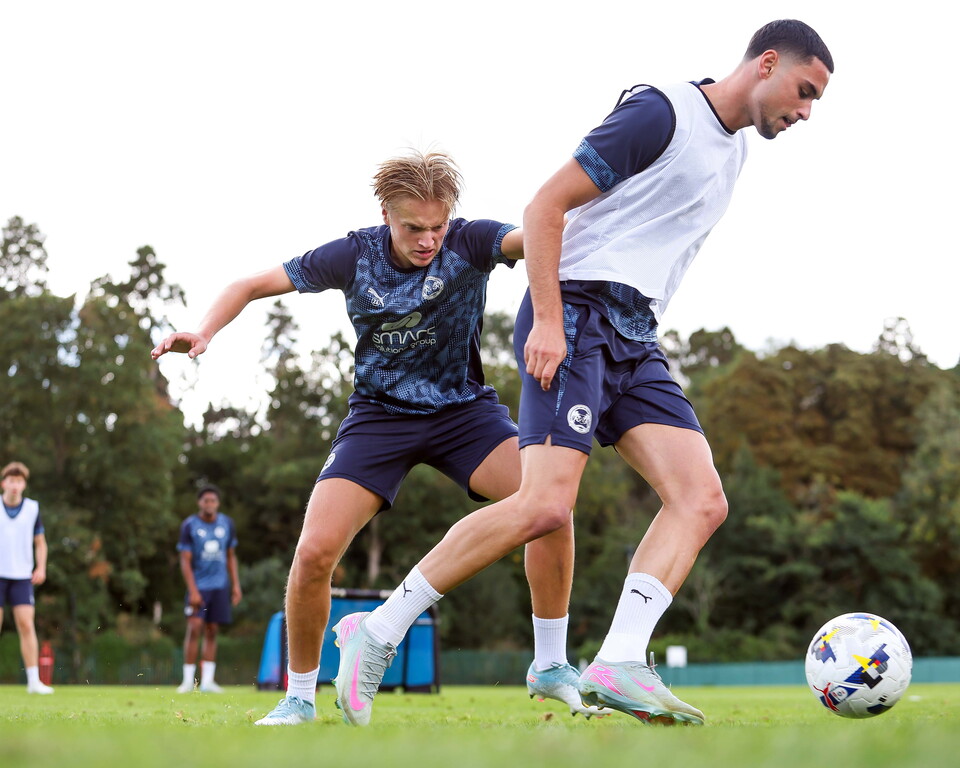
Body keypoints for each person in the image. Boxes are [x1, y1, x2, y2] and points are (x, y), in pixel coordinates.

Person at [332, 19, 834, 726]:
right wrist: (546, 317)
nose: (806, 111)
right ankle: (376, 629)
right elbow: (545, 206)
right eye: (804, 91)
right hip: (577, 314)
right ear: (768, 63)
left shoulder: (735, 154)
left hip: (635, 335)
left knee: (702, 498)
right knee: (544, 506)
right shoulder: (663, 110)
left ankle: (620, 659)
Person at [151, 150, 601, 725]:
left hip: (464, 413)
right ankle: (299, 698)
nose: (429, 240)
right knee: (314, 553)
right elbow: (252, 283)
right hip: (379, 418)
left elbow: (535, 237)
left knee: (550, 504)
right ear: (386, 213)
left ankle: (550, 661)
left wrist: (554, 303)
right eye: (414, 228)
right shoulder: (352, 255)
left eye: (438, 226)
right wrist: (204, 329)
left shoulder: (470, 241)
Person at [176, 484, 242, 693]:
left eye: (213, 500)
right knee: (195, 628)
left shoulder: (227, 524)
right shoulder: (190, 525)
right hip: (200, 586)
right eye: (206, 500)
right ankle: (187, 681)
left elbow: (231, 556)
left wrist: (236, 585)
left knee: (213, 631)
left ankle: (207, 682)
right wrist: (193, 590)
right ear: (200, 503)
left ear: (218, 503)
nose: (209, 504)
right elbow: (185, 560)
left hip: (220, 586)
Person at [0, 461, 54, 695]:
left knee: (26, 624)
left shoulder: (32, 508)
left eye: (19, 481)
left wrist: (41, 567)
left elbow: (40, 543)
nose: (15, 485)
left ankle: (33, 682)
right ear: (4, 483)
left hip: (22, 575)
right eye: (11, 480)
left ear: (24, 485)